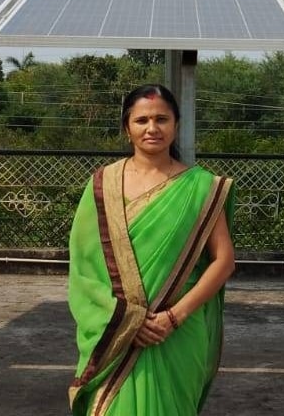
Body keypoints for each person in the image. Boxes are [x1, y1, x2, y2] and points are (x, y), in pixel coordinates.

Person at [67, 84, 236, 415]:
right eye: (142, 120)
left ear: (176, 125)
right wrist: (128, 321)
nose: (152, 128)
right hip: (117, 333)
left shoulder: (201, 186)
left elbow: (224, 260)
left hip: (178, 333)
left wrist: (174, 317)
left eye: (162, 119)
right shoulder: (103, 185)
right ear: (126, 128)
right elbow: (84, 269)